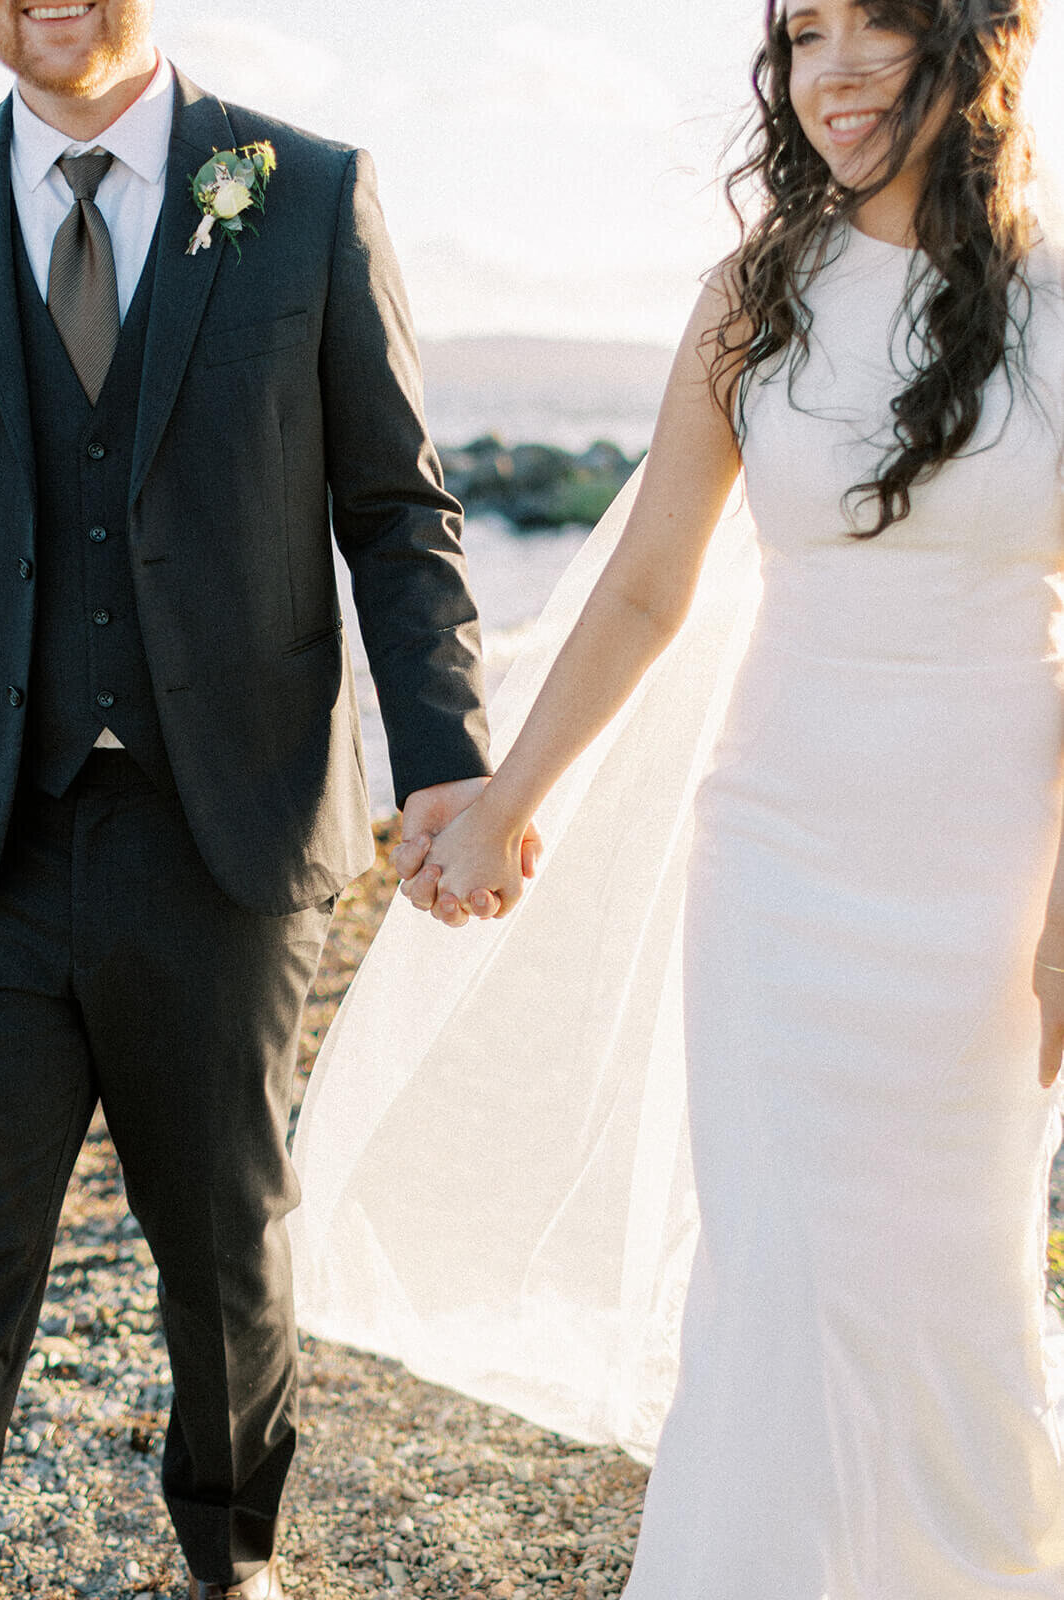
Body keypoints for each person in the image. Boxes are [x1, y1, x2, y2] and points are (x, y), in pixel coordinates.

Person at [291, 0, 1064, 1593]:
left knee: (957, 1279)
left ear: (971, 41)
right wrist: (506, 796)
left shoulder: (1058, 309)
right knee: (779, 1272)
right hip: (779, 856)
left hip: (993, 873)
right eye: (801, 36)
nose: (831, 70)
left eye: (872, 26)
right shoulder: (752, 298)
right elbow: (648, 587)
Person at [0, 3, 542, 1597]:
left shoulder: (300, 188)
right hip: (2, 838)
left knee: (225, 1252)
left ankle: (234, 1557)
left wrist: (451, 764)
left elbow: (393, 507)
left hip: (226, 825)